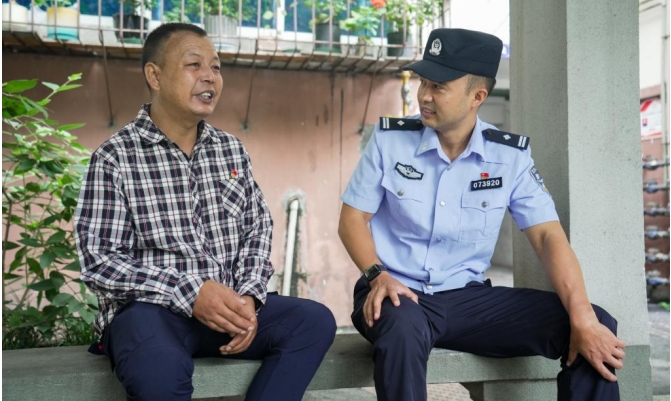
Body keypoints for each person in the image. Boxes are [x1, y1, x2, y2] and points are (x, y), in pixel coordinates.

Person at [338, 28, 625, 401]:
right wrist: (378, 275)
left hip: (465, 300)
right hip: (395, 292)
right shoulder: (390, 141)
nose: (424, 95)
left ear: (477, 97)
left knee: (595, 324)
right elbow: (352, 220)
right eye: (423, 82)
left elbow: (547, 236)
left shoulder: (508, 156)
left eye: (438, 86)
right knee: (402, 328)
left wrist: (581, 315)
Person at [75, 23, 336, 401]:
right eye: (194, 64)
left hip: (229, 313)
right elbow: (100, 261)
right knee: (157, 367)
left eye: (216, 67)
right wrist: (191, 292)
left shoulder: (230, 150)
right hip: (154, 314)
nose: (210, 76)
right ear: (155, 76)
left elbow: (257, 228)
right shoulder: (116, 157)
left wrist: (248, 299)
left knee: (312, 322)